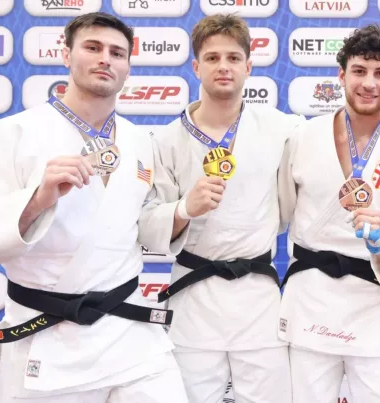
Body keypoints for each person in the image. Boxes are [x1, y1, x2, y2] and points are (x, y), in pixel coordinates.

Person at [0, 12, 188, 403]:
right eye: (93, 47)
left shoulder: (139, 140)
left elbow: (139, 222)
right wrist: (38, 199)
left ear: (127, 67)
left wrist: (184, 211)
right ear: (66, 55)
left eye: (117, 53)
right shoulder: (16, 133)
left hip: (131, 336)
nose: (105, 59)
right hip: (48, 338)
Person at [136, 14, 304, 403]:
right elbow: (147, 224)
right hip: (194, 295)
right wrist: (183, 209)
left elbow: (336, 144)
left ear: (248, 66)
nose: (223, 67)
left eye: (233, 58)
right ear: (196, 67)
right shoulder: (165, 140)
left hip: (258, 295)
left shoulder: (282, 129)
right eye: (212, 58)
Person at [277, 24, 380, 403]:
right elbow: (281, 208)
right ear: (341, 74)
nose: (369, 83)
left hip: (373, 304)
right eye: (359, 71)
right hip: (310, 302)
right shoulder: (303, 137)